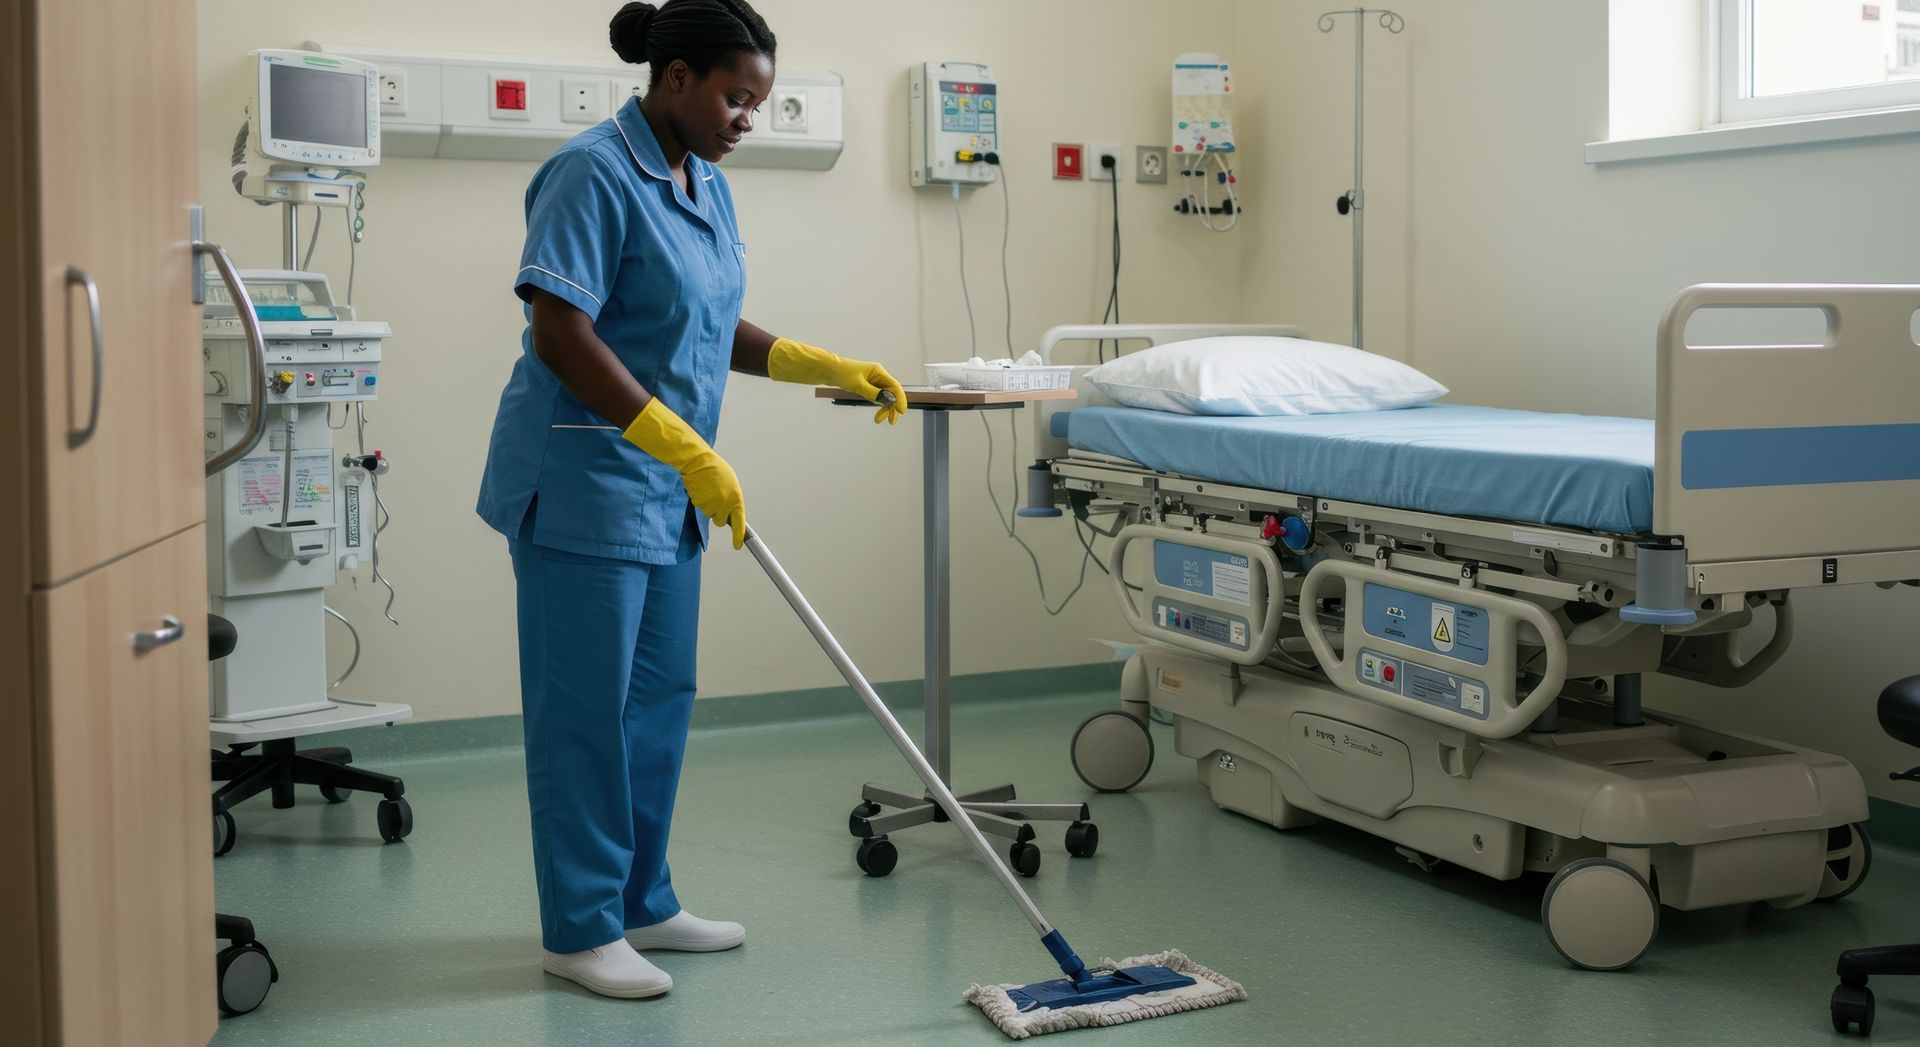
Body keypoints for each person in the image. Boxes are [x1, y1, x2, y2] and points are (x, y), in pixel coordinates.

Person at [475, 0, 908, 999]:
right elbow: (562, 331)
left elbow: (707, 318)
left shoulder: (702, 181)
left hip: (664, 492)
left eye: (758, 102)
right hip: (582, 483)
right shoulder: (591, 172)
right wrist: (678, 441)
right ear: (675, 78)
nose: (746, 118)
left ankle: (641, 902)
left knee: (658, 705)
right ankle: (579, 930)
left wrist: (816, 363)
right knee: (585, 714)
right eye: (734, 96)